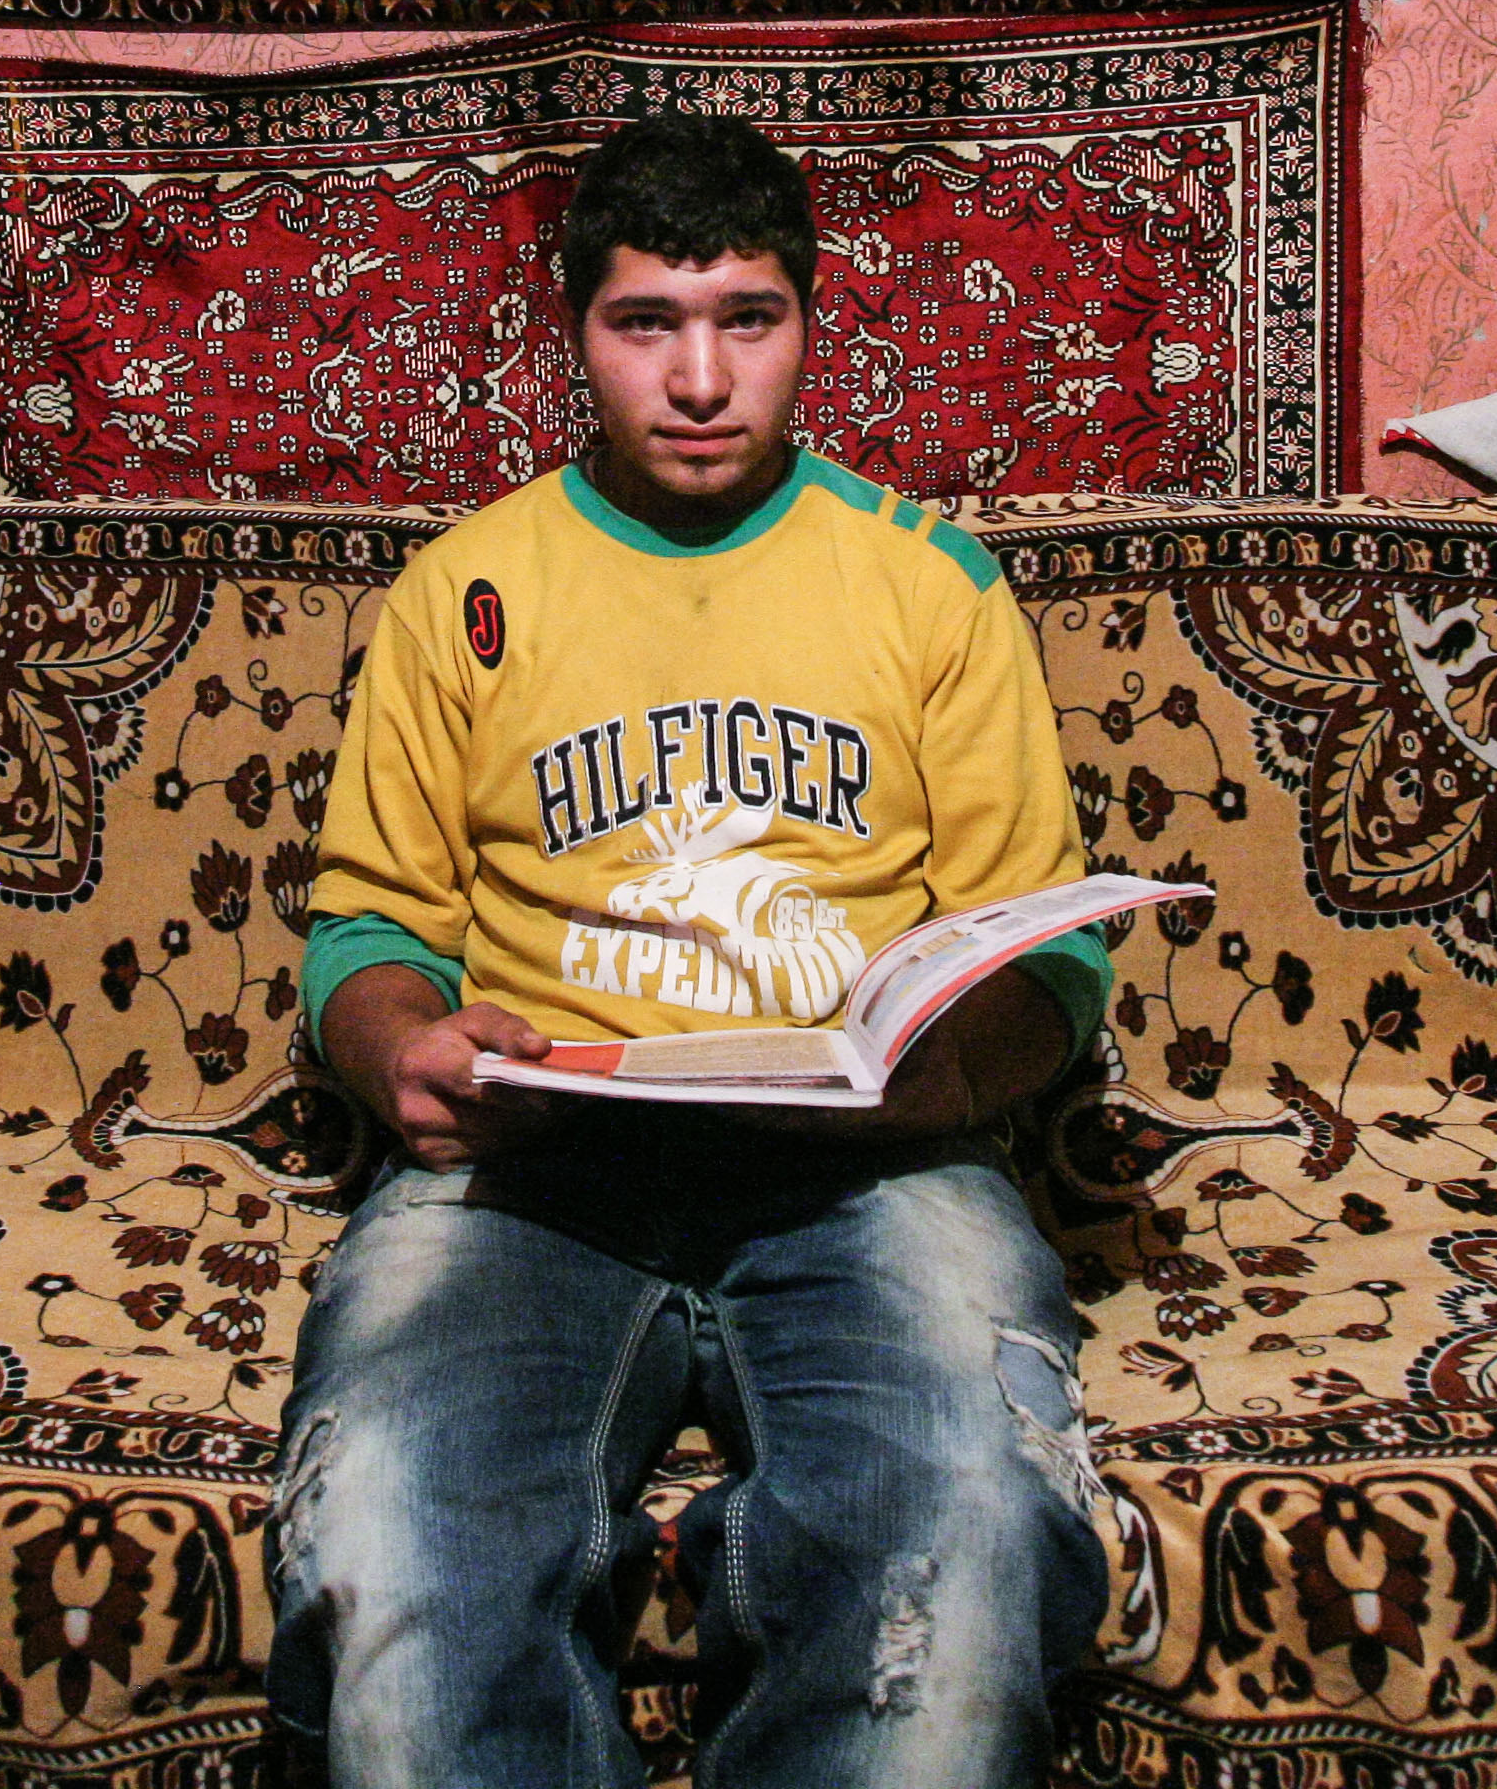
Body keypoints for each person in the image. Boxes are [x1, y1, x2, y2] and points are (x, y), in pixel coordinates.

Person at [268, 113, 1114, 1788]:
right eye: (646, 323)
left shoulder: (929, 583)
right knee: (384, 1538)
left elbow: (1055, 962)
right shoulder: (466, 588)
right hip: (539, 1167)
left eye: (748, 319)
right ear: (575, 331)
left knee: (963, 1539)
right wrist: (403, 1047)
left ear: (812, 321)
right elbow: (368, 928)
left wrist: (939, 1085)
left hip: (869, 1172)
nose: (703, 380)